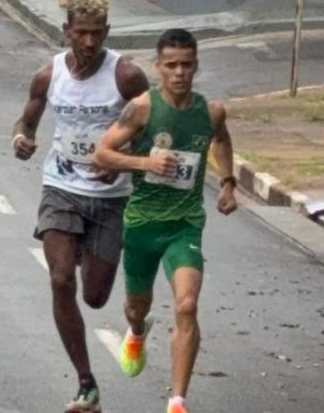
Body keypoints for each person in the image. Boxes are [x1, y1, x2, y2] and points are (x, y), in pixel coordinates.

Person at [13, 0, 150, 413]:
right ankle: (86, 384)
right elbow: (28, 120)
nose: (89, 43)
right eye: (81, 33)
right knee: (59, 280)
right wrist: (23, 138)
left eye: (97, 34)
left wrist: (123, 164)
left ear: (107, 32)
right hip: (62, 189)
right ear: (67, 31)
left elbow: (153, 129)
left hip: (110, 199)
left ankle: (131, 314)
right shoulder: (48, 75)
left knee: (94, 297)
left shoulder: (126, 76)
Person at [93, 28, 237, 413]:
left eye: (186, 65)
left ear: (196, 66)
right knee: (135, 307)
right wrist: (145, 162)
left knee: (187, 306)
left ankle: (177, 401)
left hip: (184, 225)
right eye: (171, 65)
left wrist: (227, 182)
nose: (179, 73)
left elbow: (221, 139)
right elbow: (101, 154)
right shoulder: (142, 108)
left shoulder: (210, 111)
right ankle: (138, 331)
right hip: (142, 225)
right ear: (158, 67)